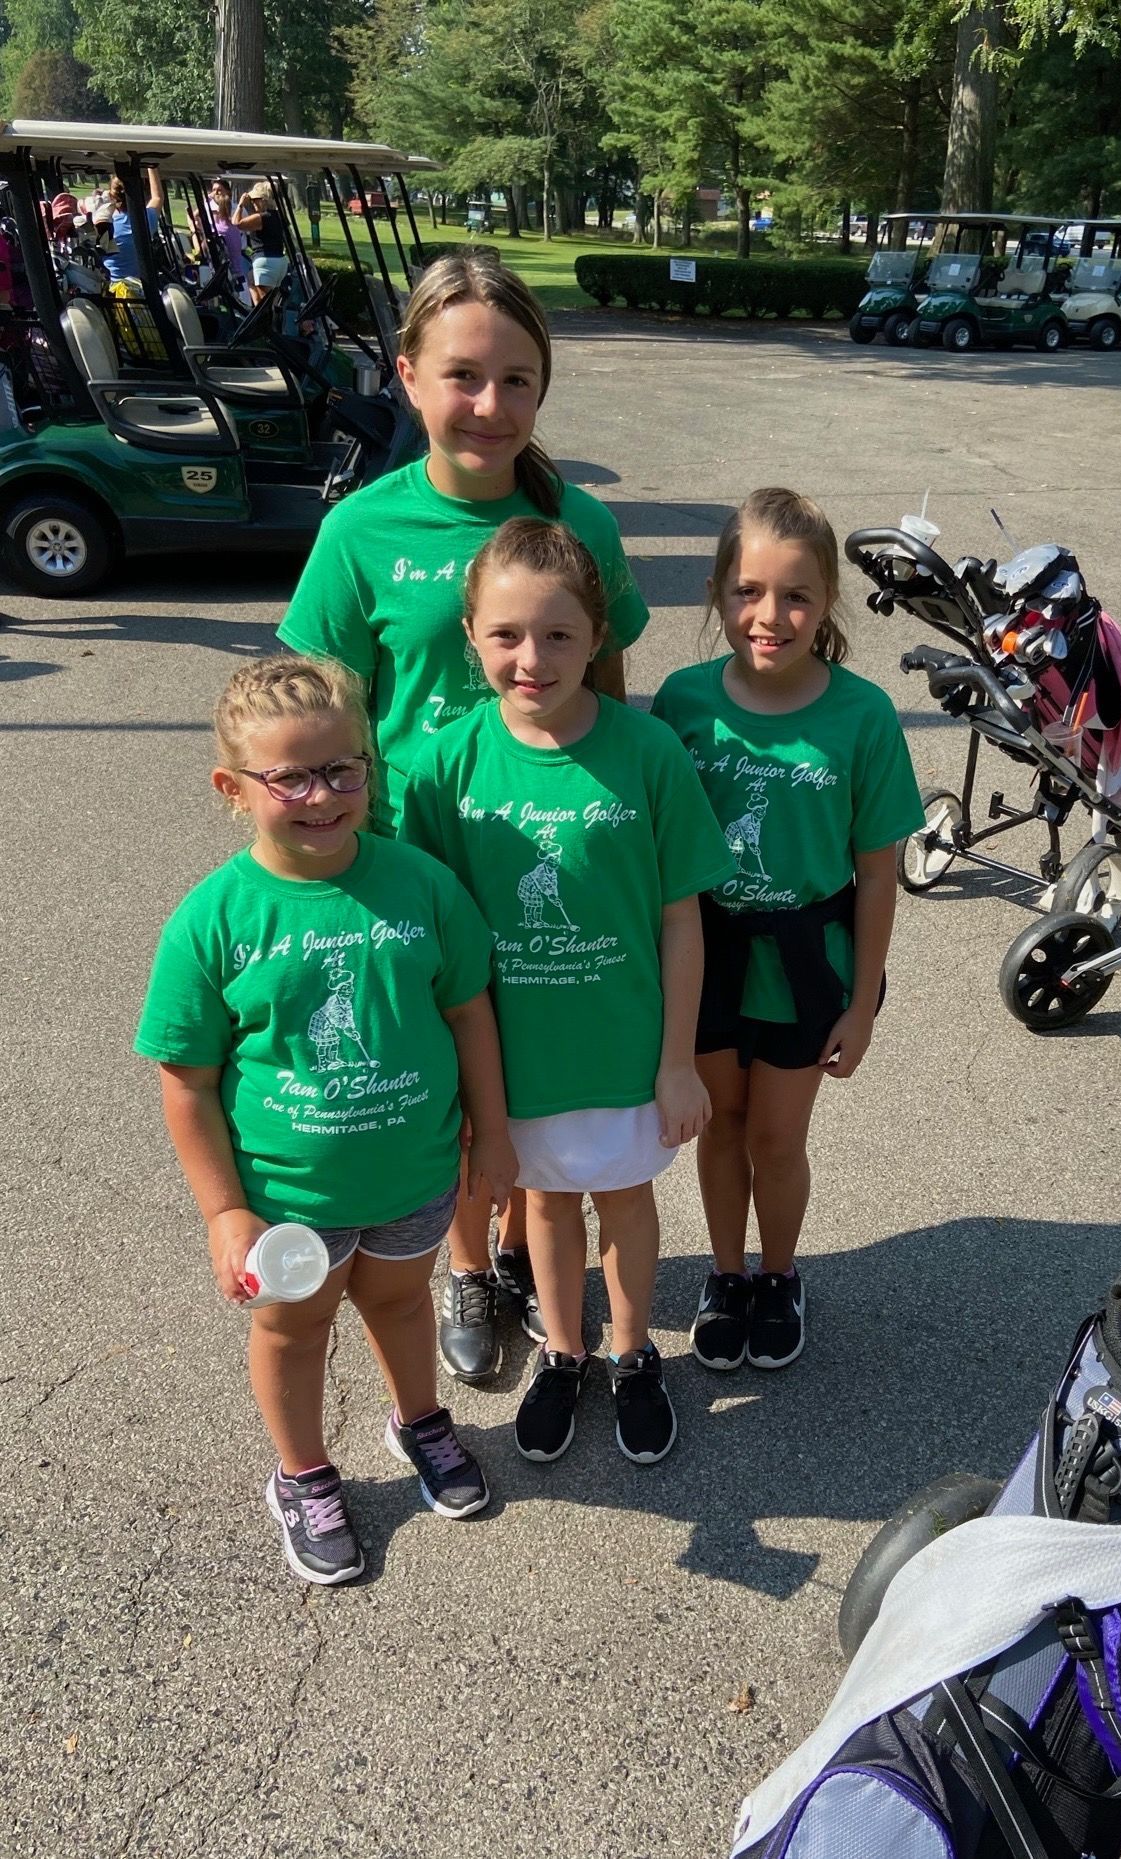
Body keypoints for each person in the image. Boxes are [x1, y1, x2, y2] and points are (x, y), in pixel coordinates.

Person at [277, 250, 650, 1387]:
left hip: (548, 854)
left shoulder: (577, 520)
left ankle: (555, 1269)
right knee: (452, 1085)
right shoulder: (360, 533)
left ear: (544, 389)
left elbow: (616, 681)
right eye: (463, 376)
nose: (490, 406)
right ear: (406, 376)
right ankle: (470, 1264)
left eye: (518, 381)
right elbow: (316, 708)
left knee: (541, 1079)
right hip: (416, 862)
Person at [134, 655, 517, 1585]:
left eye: (345, 768)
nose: (323, 795)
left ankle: (418, 1420)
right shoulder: (213, 920)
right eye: (291, 777)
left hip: (415, 1175)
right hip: (286, 1198)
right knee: (294, 1331)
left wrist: (493, 1132)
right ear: (233, 788)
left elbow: (469, 1010)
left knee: (397, 1302)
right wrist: (226, 1212)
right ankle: (302, 1473)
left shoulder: (421, 884)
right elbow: (185, 1082)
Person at [401, 519, 734, 1466]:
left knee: (624, 1202)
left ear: (598, 637)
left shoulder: (647, 752)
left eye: (557, 635)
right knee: (543, 1206)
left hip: (625, 1047)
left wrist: (676, 1061)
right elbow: (426, 936)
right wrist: (459, 1088)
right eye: (505, 634)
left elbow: (680, 918)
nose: (531, 658)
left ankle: (631, 1353)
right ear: (470, 634)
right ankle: (563, 1348)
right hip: (512, 1057)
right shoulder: (442, 767)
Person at [651, 488, 924, 1373]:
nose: (770, 616)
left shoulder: (863, 714)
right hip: (706, 957)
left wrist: (866, 1005)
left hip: (810, 964)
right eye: (748, 591)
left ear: (827, 604)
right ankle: (724, 1275)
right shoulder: (682, 704)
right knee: (719, 1126)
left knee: (776, 1138)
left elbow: (878, 874)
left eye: (796, 596)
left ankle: (777, 1273)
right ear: (716, 591)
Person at [92, 168, 165, 284]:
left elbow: (102, 258)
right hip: (143, 289)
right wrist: (152, 167)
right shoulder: (146, 219)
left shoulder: (105, 227)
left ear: (111, 196)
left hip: (116, 291)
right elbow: (158, 197)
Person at [235, 180, 288, 301]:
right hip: (280, 261)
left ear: (263, 200)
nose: (252, 203)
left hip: (265, 262)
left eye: (255, 200)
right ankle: (258, 316)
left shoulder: (262, 217)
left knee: (265, 302)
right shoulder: (280, 216)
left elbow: (236, 223)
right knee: (251, 278)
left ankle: (266, 319)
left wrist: (240, 205)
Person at [205, 179, 252, 299]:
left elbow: (246, 231)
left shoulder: (238, 209)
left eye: (219, 190)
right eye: (214, 190)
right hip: (219, 259)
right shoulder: (208, 209)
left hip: (237, 257)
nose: (216, 193)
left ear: (228, 192)